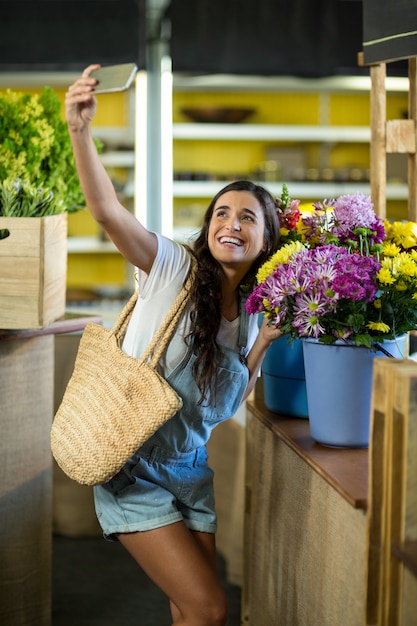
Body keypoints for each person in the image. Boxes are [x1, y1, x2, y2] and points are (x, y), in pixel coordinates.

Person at [65, 64, 283, 626]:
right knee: (210, 609)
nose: (230, 224)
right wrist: (80, 131)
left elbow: (227, 407)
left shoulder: (254, 314)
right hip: (133, 464)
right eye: (221, 213)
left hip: (191, 471)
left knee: (190, 613)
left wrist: (262, 349)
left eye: (248, 217)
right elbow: (107, 213)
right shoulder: (173, 270)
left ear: (266, 240)